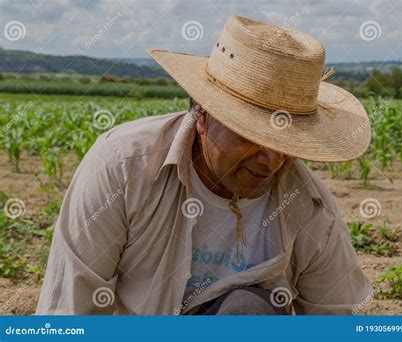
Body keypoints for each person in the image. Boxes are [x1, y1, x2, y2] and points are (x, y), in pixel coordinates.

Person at [36, 15, 373, 315]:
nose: (272, 161)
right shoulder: (122, 168)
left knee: (247, 312)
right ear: (202, 114)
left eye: (285, 145)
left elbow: (336, 319)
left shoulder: (309, 208)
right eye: (251, 137)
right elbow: (70, 310)